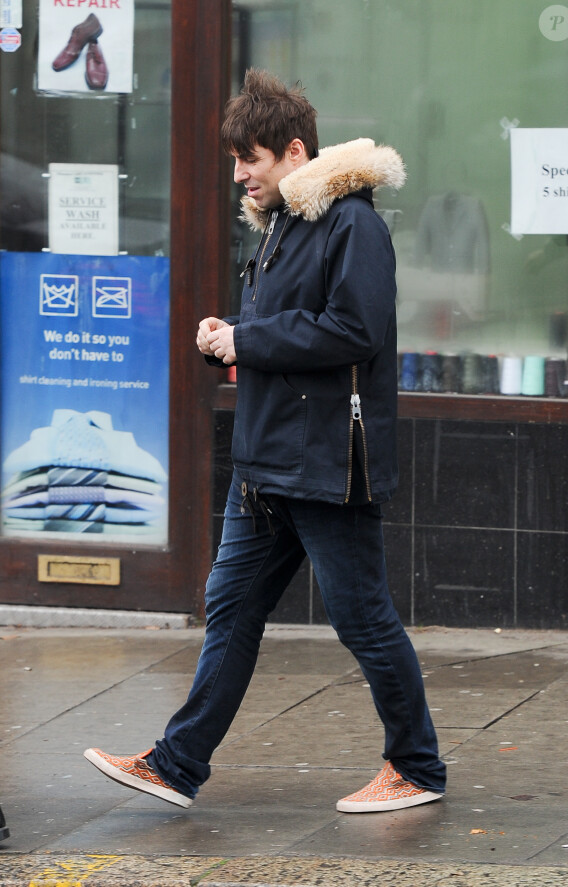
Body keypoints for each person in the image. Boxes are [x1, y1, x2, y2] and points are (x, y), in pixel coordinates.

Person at [84, 68, 447, 814]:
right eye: (233, 162)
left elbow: (354, 329)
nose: (240, 175)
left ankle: (417, 765)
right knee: (230, 606)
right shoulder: (282, 224)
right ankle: (177, 763)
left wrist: (247, 335)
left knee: (361, 615)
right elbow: (292, 335)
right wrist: (231, 338)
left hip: (326, 464)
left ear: (291, 150)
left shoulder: (353, 223)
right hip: (266, 461)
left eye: (249, 159)